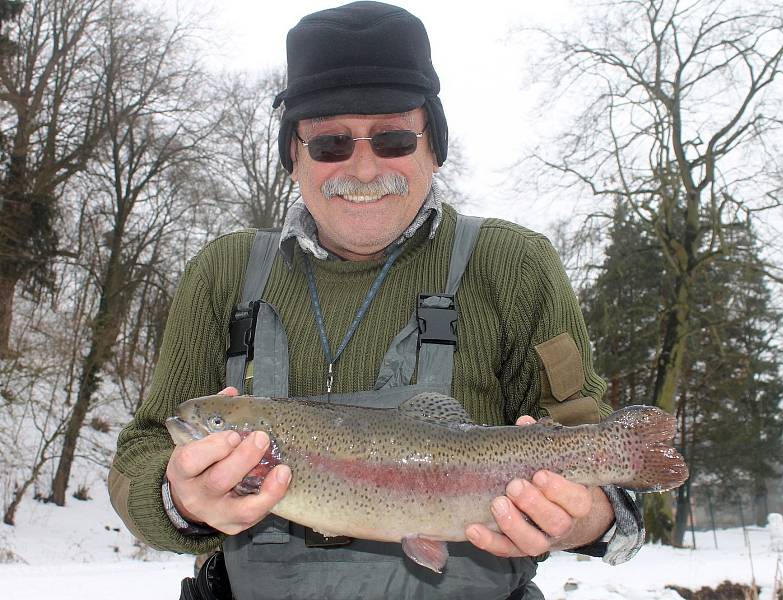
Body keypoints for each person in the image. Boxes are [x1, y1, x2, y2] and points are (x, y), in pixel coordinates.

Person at [108, 2, 644, 599]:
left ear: (434, 146)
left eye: (392, 138)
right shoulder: (223, 273)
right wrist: (180, 497)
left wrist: (586, 516)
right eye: (331, 143)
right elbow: (140, 455)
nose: (363, 168)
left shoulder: (515, 266)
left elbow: (596, 458)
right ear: (293, 155)